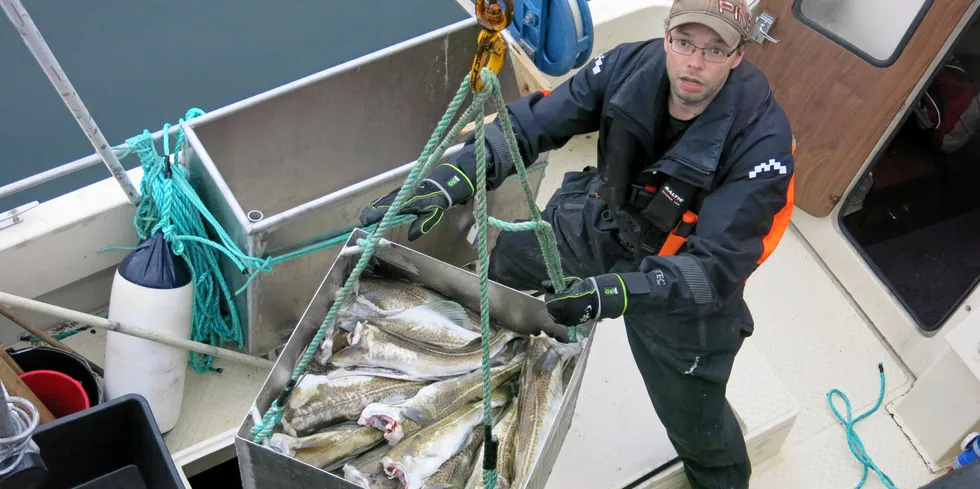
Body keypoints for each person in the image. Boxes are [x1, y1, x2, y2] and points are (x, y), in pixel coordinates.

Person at [360, 0, 794, 487]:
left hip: (679, 279)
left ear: (738, 55)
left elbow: (714, 269)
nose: (695, 62)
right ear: (667, 36)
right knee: (503, 273)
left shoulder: (764, 142)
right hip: (602, 220)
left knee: (694, 415)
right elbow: (531, 124)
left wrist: (619, 292)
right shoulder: (627, 65)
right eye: (685, 43)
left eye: (716, 49)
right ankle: (463, 375)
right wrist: (456, 176)